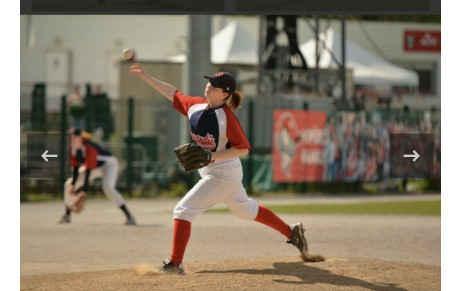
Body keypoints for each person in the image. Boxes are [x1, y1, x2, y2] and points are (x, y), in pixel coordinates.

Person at [130, 63, 320, 275]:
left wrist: (212, 156)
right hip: (215, 171)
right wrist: (146, 77)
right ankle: (292, 232)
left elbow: (244, 149)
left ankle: (175, 263)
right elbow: (173, 93)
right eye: (210, 82)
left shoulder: (226, 117)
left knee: (183, 210)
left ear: (225, 94)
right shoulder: (196, 106)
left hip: (224, 172)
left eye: (215, 85)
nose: (209, 86)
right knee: (246, 210)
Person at [59, 128, 136, 225]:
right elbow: (75, 169)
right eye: (70, 137)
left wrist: (83, 191)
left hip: (109, 165)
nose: (72, 139)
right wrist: (73, 185)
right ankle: (67, 215)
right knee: (68, 185)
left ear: (80, 138)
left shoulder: (89, 148)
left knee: (108, 187)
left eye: (74, 137)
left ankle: (129, 216)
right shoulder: (72, 149)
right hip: (95, 167)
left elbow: (88, 170)